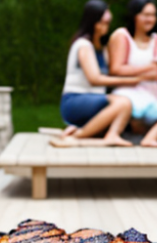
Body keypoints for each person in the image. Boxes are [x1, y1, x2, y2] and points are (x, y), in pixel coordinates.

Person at [60, 0, 142, 147]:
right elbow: (95, 79)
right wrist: (130, 80)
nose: (105, 27)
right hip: (75, 100)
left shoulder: (101, 48)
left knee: (125, 109)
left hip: (93, 101)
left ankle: (79, 129)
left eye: (107, 23)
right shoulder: (83, 45)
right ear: (92, 22)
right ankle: (79, 136)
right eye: (102, 22)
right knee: (123, 103)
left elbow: (115, 72)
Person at [109, 0, 157, 148]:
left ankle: (149, 137)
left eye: (153, 15)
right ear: (134, 16)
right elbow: (116, 69)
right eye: (146, 15)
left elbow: (155, 74)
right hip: (127, 95)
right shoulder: (122, 35)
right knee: (135, 112)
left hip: (150, 99)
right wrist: (146, 72)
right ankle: (137, 129)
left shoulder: (155, 39)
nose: (150, 19)